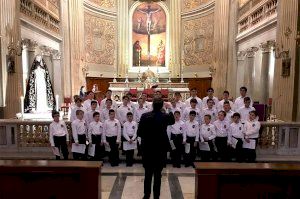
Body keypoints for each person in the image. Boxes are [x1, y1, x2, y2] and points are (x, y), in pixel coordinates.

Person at [137, 97, 175, 199]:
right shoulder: (165, 116)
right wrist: (170, 108)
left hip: (148, 149)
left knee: (148, 173)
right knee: (158, 174)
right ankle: (156, 196)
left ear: (152, 105)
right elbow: (172, 120)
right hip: (160, 149)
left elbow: (139, 133)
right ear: (162, 105)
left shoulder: (145, 116)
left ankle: (146, 194)